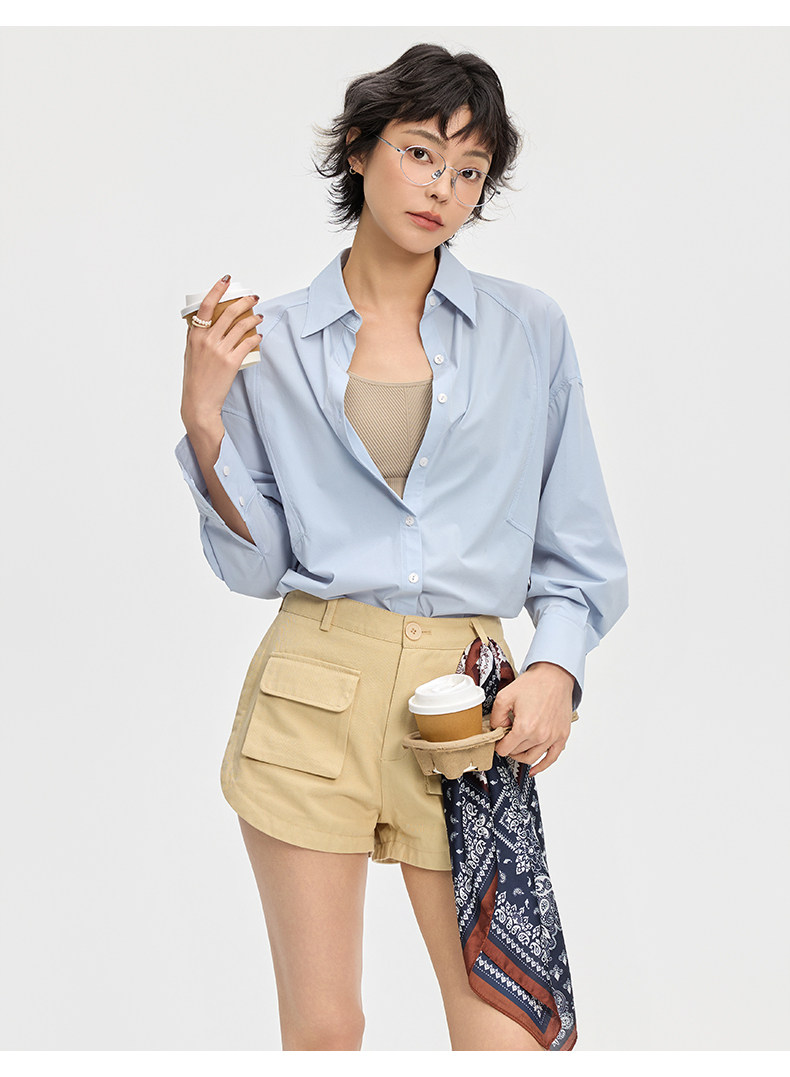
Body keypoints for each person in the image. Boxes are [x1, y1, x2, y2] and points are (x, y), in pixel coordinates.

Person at [174, 43, 628, 1051]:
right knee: (324, 1030)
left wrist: (556, 666)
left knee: (504, 1034)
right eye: (421, 152)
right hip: (312, 691)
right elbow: (256, 567)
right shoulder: (269, 342)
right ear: (358, 149)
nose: (442, 188)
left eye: (469, 170)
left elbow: (579, 541)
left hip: (468, 706)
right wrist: (205, 420)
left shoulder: (528, 330)